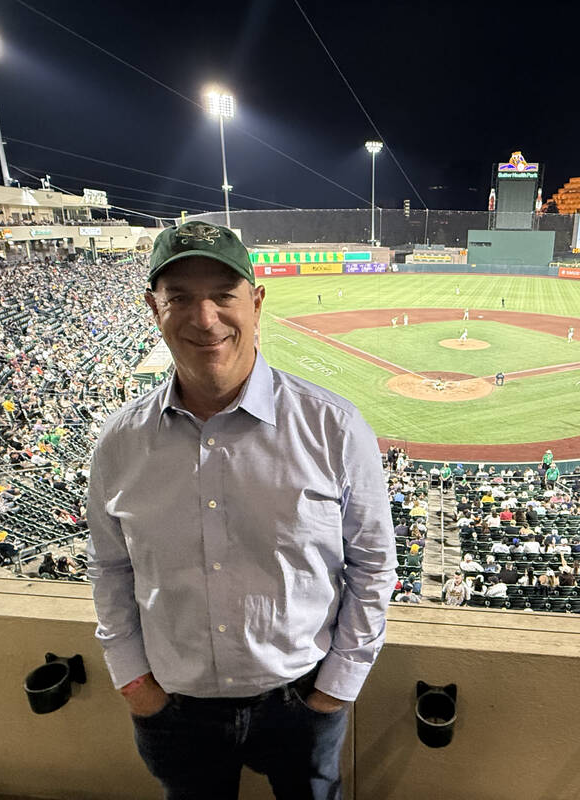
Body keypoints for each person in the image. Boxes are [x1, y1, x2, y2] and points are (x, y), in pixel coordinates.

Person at [87, 221, 396, 800]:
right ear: (153, 307)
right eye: (179, 297)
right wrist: (135, 684)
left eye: (223, 295)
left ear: (255, 302)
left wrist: (333, 691)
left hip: (303, 698)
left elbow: (374, 567)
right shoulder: (119, 442)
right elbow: (109, 568)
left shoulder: (334, 427)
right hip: (172, 709)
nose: (204, 319)